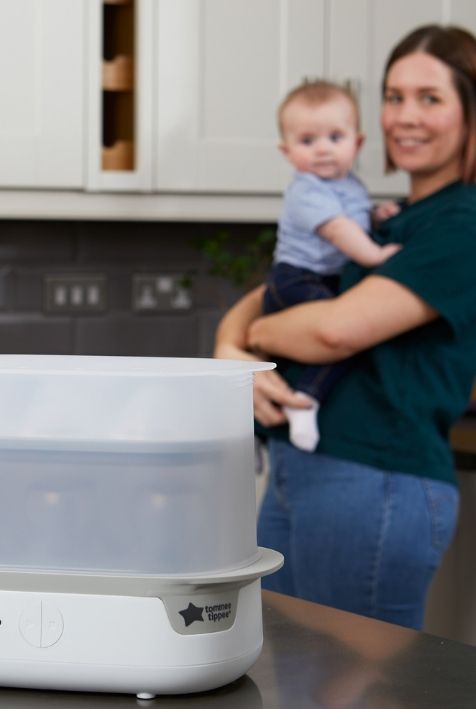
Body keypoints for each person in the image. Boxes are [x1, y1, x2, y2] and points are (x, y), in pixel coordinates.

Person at [214, 23, 476, 630]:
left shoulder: (461, 224)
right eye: (393, 96)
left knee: (355, 679)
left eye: (430, 98)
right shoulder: (382, 218)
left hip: (376, 480)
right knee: (285, 667)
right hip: (304, 470)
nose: (405, 116)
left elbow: (333, 331)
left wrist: (258, 338)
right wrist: (230, 349)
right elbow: (263, 297)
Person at [264, 80, 400, 452]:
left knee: (320, 345)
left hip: (322, 277)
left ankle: (275, 420)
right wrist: (375, 255)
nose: (323, 149)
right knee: (338, 337)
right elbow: (339, 229)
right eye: (307, 141)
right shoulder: (306, 189)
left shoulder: (351, 185)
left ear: (357, 143)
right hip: (295, 278)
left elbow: (353, 217)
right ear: (287, 151)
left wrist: (376, 215)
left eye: (335, 137)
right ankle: (306, 400)